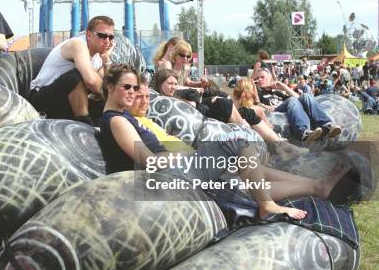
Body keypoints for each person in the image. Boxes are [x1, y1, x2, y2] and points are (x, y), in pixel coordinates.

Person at [99, 64, 346, 219]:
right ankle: (267, 205)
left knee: (250, 174)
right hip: (166, 177)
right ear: (109, 86)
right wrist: (192, 155)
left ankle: (317, 186)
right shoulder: (116, 120)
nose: (132, 92)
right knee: (236, 141)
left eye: (134, 87)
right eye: (126, 87)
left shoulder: (124, 117)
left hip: (173, 171)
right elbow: (149, 161)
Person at [29, 16, 115, 125]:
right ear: (89, 35)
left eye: (111, 37)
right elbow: (92, 81)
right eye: (102, 36)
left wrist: (106, 60)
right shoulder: (77, 45)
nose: (107, 41)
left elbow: (106, 84)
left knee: (107, 104)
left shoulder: (99, 56)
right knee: (76, 76)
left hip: (67, 101)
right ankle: (85, 123)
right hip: (41, 98)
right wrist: (113, 97)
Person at [255, 68, 342, 142]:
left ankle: (327, 125)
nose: (259, 79)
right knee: (292, 100)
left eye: (262, 77)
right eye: (258, 78)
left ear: (270, 78)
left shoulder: (277, 91)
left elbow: (298, 98)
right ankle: (303, 133)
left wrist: (284, 87)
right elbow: (252, 105)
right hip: (276, 113)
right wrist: (263, 105)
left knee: (306, 96)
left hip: (291, 109)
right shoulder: (258, 92)